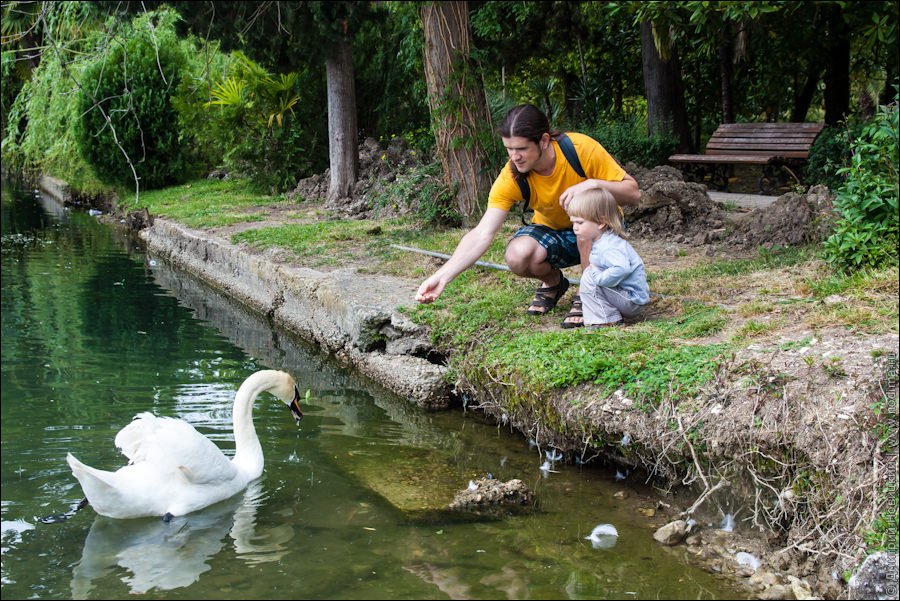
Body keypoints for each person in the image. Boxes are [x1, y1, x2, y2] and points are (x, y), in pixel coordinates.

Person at [414, 104, 640, 328]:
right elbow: (482, 233)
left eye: (521, 149)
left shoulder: (580, 149)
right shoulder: (512, 176)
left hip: (599, 231)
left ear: (543, 140)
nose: (515, 157)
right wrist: (442, 276)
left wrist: (591, 185)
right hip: (555, 232)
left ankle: (588, 294)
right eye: (509, 149)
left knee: (586, 231)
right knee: (517, 255)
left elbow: (633, 193)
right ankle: (553, 283)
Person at [565, 188, 649, 327]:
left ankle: (607, 319)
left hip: (632, 300)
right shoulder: (601, 240)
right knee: (589, 274)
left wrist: (599, 279)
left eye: (580, 222)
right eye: (573, 222)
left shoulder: (609, 246)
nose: (575, 228)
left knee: (590, 277)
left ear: (601, 223)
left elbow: (622, 268)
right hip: (625, 296)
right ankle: (607, 315)